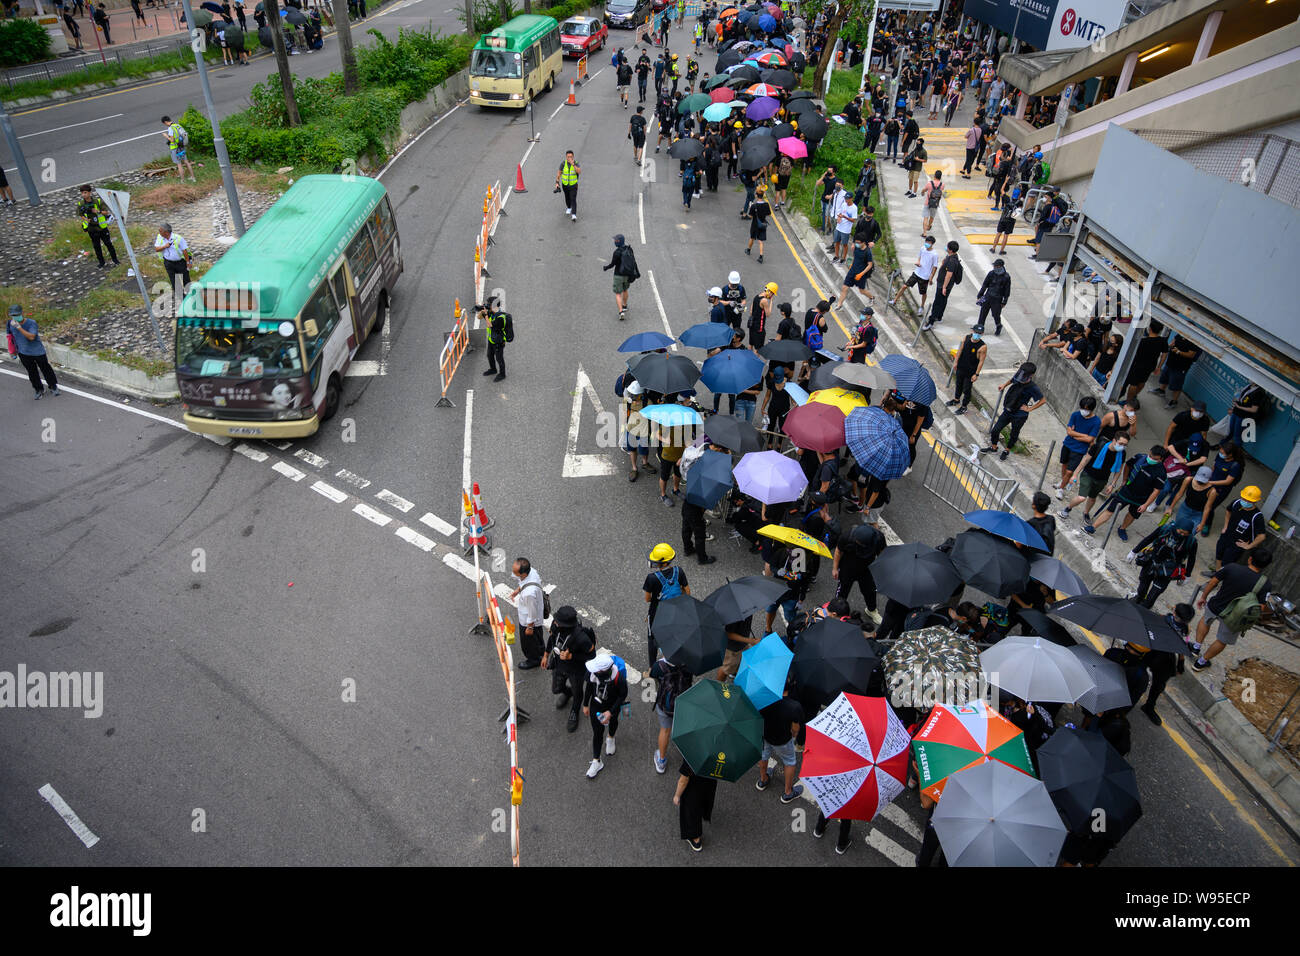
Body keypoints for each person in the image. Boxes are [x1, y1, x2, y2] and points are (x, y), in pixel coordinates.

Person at [1191, 549, 1273, 672]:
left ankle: (1196, 648)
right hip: (1235, 617)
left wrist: (1203, 597)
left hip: (1216, 604)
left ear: (1250, 559)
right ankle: (1200, 662)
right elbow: (1260, 608)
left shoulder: (1232, 567)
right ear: (1266, 566)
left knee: (1205, 621)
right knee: (1222, 640)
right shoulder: (1265, 584)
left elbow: (1213, 582)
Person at [1085, 445, 1170, 541]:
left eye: (1154, 458)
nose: (1150, 459)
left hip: (1141, 498)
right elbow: (1128, 465)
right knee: (1110, 510)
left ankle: (1122, 528)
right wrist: (1125, 479)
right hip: (1126, 491)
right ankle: (1093, 527)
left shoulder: (1161, 472)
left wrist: (1146, 505)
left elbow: (1156, 491)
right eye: (1150, 456)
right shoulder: (1139, 457)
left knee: (1132, 515)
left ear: (1161, 459)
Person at [544, 605, 595, 733]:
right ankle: (568, 693)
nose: (554, 622)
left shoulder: (581, 637)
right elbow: (552, 639)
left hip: (575, 670)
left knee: (578, 693)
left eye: (557, 621)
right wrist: (546, 655)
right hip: (558, 665)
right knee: (556, 689)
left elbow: (592, 655)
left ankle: (574, 711)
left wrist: (572, 656)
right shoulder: (555, 626)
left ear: (566, 625)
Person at [1128, 517, 1197, 608]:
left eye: (1185, 534)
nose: (1182, 535)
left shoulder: (1191, 542)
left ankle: (1145, 608)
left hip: (1168, 570)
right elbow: (1149, 539)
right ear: (1176, 527)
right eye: (1180, 532)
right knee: (1143, 585)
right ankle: (1138, 598)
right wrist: (1134, 551)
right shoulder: (1165, 529)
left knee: (1154, 594)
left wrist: (1187, 575)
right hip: (1152, 562)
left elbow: (1192, 558)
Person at [981, 361, 1044, 461]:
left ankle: (1007, 450)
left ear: (1031, 375)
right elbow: (1012, 380)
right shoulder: (1019, 376)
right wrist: (1004, 385)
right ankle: (994, 447)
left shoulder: (1033, 387)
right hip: (1008, 410)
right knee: (996, 430)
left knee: (1014, 434)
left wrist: (1029, 409)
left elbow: (1043, 400)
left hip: (1019, 414)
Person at [755, 685, 805, 804]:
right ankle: (788, 792)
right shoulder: (794, 706)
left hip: (764, 734)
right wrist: (794, 735)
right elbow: (795, 729)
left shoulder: (762, 697)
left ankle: (763, 780)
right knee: (790, 762)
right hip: (782, 740)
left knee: (763, 755)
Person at [644, 543, 691, 667]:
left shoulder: (651, 578)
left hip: (657, 613)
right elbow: (687, 592)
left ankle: (652, 667)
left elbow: (647, 599)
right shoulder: (679, 571)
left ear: (663, 563)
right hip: (676, 611)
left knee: (652, 639)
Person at [581, 653, 627, 779]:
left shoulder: (619, 678)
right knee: (597, 732)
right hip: (596, 706)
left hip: (612, 707)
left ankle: (611, 738)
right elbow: (589, 688)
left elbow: (622, 695)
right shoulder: (592, 672)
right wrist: (585, 705)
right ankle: (597, 761)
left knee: (613, 722)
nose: (592, 670)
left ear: (603, 671)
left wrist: (610, 712)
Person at [649, 653, 692, 773]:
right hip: (683, 703)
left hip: (665, 705)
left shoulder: (660, 666)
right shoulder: (690, 663)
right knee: (683, 727)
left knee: (665, 730)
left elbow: (652, 674)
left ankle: (661, 761)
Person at [7, 305, 61, 400]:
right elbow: (10, 338)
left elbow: (31, 337)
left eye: (17, 314)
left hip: (38, 352)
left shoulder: (31, 323)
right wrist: (13, 352)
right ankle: (38, 389)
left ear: (22, 313)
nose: (15, 317)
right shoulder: (10, 324)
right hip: (23, 353)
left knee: (46, 369)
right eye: (13, 315)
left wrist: (19, 328)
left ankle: (53, 386)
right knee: (32, 372)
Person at [1212, 485, 1267, 574]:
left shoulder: (1256, 516)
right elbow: (1228, 511)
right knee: (1219, 554)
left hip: (1237, 543)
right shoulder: (1236, 503)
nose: (1245, 501)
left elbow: (1262, 536)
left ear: (1255, 501)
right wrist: (1225, 526)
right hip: (1226, 535)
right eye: (1244, 498)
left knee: (1227, 562)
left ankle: (1220, 577)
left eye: (1249, 501)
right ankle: (1216, 572)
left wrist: (1249, 546)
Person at [1054, 396, 1101, 497]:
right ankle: (1063, 482)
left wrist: (1075, 434)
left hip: (1079, 450)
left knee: (1070, 471)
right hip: (1068, 444)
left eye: (1086, 409)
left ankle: (1061, 488)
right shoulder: (1075, 415)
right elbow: (1069, 431)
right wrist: (1083, 435)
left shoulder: (1096, 422)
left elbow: (1089, 439)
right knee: (1064, 465)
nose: (1083, 411)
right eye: (1082, 408)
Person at [509, 558, 546, 669]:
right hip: (538, 619)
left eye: (515, 572)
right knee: (538, 637)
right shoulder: (532, 572)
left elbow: (532, 612)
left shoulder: (529, 594)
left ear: (523, 573)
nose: (513, 574)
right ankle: (541, 652)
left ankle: (533, 660)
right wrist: (517, 591)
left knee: (528, 643)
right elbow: (523, 583)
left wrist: (529, 627)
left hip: (528, 621)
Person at [674, 757, 717, 852]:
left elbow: (683, 780)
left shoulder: (692, 756)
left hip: (694, 789)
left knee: (691, 810)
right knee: (705, 801)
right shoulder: (716, 752)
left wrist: (677, 796)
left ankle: (695, 839)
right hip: (710, 783)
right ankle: (704, 813)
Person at [1122, 321, 1169, 404]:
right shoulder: (1162, 341)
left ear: (1150, 329)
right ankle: (1134, 396)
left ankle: (1128, 402)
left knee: (1133, 383)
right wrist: (1159, 367)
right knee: (1142, 381)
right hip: (1151, 366)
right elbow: (1164, 354)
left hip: (1137, 365)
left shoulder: (1142, 341)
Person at [890, 235, 939, 314]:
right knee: (904, 286)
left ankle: (922, 306)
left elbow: (935, 267)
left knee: (923, 293)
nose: (926, 244)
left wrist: (931, 277)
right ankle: (895, 300)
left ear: (932, 244)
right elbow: (919, 257)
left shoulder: (934, 254)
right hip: (917, 272)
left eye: (928, 243)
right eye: (926, 242)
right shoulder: (922, 248)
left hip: (925, 276)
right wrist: (918, 262)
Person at [1150, 333, 1201, 408]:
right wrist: (1169, 346)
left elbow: (1191, 354)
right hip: (1170, 362)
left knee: (1176, 384)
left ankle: (1174, 401)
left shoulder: (1194, 341)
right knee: (1165, 377)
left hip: (1181, 367)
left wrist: (1178, 352)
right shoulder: (1179, 335)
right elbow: (1172, 343)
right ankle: (1161, 390)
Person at [76, 184, 119, 269]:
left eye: (85, 192)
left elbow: (106, 212)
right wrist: (85, 219)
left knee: (108, 244)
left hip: (102, 227)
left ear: (89, 193)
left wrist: (98, 211)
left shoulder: (98, 201)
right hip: (91, 228)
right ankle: (101, 262)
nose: (83, 195)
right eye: (82, 193)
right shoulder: (81, 204)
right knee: (96, 246)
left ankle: (115, 260)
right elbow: (80, 214)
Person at [922, 240, 961, 328]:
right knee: (943, 300)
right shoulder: (952, 256)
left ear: (950, 250)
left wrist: (944, 287)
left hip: (944, 285)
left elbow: (949, 275)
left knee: (937, 302)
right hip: (945, 284)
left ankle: (931, 321)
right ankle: (939, 316)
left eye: (947, 247)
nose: (946, 248)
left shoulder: (952, 261)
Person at [603, 234, 638, 319]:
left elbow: (612, 264)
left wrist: (606, 267)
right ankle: (625, 306)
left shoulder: (616, 252)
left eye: (616, 240)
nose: (614, 242)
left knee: (618, 293)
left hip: (618, 275)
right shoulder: (629, 249)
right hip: (627, 275)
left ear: (618, 242)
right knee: (625, 290)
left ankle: (621, 312)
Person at [972, 258, 1011, 335]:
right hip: (988, 296)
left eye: (996, 266)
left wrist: (1004, 301)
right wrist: (980, 295)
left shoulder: (1006, 277)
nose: (994, 267)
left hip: (997, 299)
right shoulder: (991, 274)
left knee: (996, 314)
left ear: (1000, 266)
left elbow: (1007, 290)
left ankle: (998, 326)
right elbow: (985, 285)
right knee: (983, 313)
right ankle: (980, 328)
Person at [1227, 382, 1266, 449]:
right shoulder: (1248, 386)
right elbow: (1240, 399)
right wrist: (1234, 408)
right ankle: (1226, 448)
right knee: (1231, 431)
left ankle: (1236, 453)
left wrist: (1239, 407)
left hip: (1243, 416)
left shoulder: (1258, 392)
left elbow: (1254, 409)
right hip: (1236, 413)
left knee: (1237, 436)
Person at [154, 222, 193, 290]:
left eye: (160, 231)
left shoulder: (178, 238)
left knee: (186, 280)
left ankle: (191, 296)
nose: (159, 232)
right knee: (175, 281)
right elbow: (157, 249)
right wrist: (165, 246)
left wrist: (188, 262)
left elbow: (185, 251)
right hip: (168, 263)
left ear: (166, 232)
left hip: (180, 262)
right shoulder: (159, 237)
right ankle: (181, 298)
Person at [478, 296, 508, 382]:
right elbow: (479, 317)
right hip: (491, 339)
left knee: (499, 358)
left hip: (499, 341)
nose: (487, 305)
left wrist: (486, 315)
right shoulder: (490, 312)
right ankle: (493, 369)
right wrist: (482, 312)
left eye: (489, 304)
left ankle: (502, 374)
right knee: (489, 355)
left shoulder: (500, 317)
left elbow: (490, 325)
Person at [161, 115, 195, 181]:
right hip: (181, 146)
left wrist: (166, 136)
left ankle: (182, 180)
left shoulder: (170, 128)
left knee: (179, 164)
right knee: (186, 162)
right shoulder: (177, 125)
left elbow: (172, 140)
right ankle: (193, 177)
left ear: (165, 122)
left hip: (175, 148)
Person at [746, 186, 771, 262]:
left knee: (752, 238)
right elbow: (769, 214)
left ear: (756, 195)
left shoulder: (754, 206)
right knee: (760, 241)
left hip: (755, 225)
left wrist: (750, 208)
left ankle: (748, 250)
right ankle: (761, 256)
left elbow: (750, 216)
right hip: (762, 224)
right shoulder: (766, 204)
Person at [554, 150, 581, 222]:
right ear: (566, 157)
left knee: (573, 199)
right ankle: (569, 207)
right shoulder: (563, 164)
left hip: (573, 185)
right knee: (567, 198)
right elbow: (559, 173)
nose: (569, 158)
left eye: (571, 157)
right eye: (568, 157)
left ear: (573, 157)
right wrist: (557, 182)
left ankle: (574, 214)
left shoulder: (576, 163)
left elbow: (579, 171)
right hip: (565, 185)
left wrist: (573, 165)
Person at [919, 168, 944, 237]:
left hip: (928, 202)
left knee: (925, 217)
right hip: (935, 203)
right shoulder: (942, 185)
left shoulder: (930, 183)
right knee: (932, 216)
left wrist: (922, 192)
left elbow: (924, 190)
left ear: (934, 176)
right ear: (940, 177)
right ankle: (929, 226)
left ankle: (924, 233)